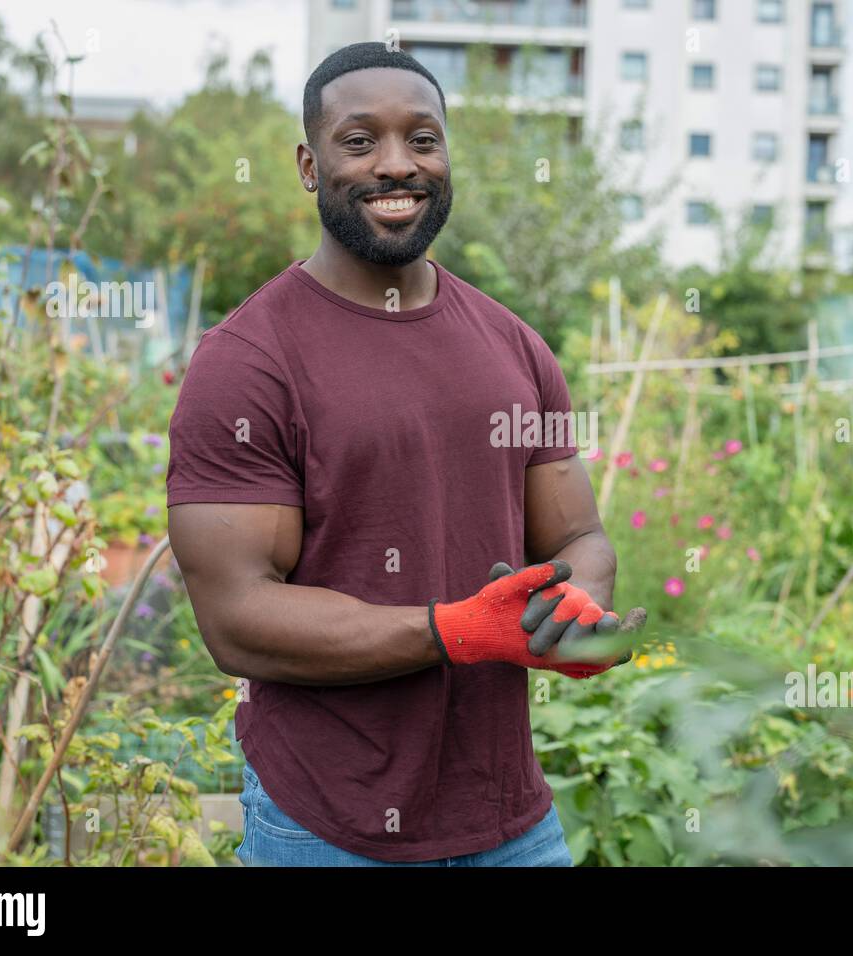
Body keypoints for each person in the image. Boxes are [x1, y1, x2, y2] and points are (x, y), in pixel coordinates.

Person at [165, 41, 644, 867]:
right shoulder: (248, 360)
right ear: (310, 166)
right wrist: (456, 631)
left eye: (423, 139)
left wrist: (572, 618)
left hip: (512, 824)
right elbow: (237, 620)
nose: (397, 164)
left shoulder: (515, 347)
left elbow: (577, 541)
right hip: (326, 825)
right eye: (360, 141)